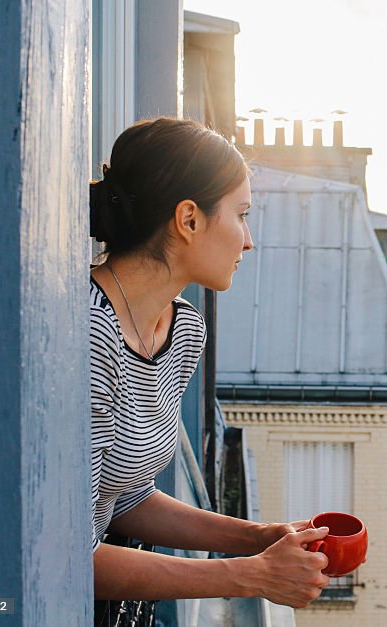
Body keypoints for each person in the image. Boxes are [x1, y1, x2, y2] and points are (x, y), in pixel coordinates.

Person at [88, 117, 329, 610]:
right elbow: (70, 554)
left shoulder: (182, 330)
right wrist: (252, 576)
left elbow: (125, 498)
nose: (248, 239)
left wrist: (259, 536)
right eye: (241, 213)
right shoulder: (91, 332)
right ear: (189, 219)